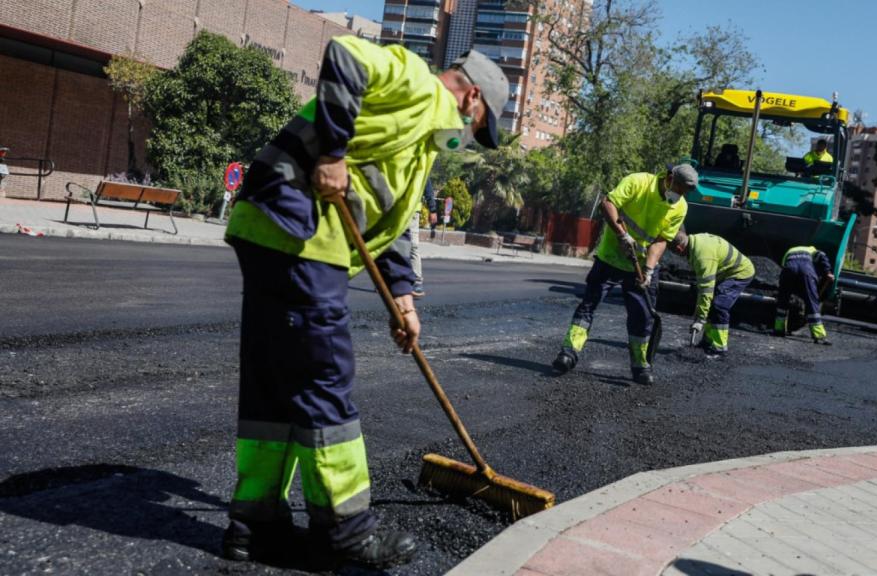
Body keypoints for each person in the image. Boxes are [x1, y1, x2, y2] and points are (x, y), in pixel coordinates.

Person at [221, 34, 508, 569]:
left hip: (273, 233)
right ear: (471, 99)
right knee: (323, 383)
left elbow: (394, 223)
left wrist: (404, 299)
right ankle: (344, 532)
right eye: (480, 126)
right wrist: (332, 152)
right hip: (299, 235)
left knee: (274, 383)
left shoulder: (420, 143)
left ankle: (255, 524)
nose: (471, 139)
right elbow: (345, 54)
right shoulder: (419, 84)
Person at [551, 164, 696, 385]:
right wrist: (622, 235)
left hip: (640, 264)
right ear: (669, 177)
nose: (680, 194)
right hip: (611, 256)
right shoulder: (638, 182)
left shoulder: (680, 207)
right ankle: (568, 353)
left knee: (642, 316)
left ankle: (640, 365)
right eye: (679, 187)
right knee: (589, 304)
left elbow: (661, 239)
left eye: (685, 192)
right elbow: (608, 203)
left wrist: (648, 269)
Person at [673, 230, 755, 358]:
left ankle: (719, 349)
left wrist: (700, 319)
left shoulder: (703, 256)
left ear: (679, 248)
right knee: (711, 302)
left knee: (719, 305)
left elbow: (706, 290)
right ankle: (707, 342)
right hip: (725, 273)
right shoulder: (695, 241)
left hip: (740, 272)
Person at [773, 246, 835, 345]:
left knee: (783, 299)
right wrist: (827, 272)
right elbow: (822, 255)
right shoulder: (812, 249)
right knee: (812, 301)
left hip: (788, 269)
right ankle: (819, 336)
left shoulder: (789, 251)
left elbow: (785, 267)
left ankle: (778, 329)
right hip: (806, 270)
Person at [409, 180, 438, 298]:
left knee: (413, 245)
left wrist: (433, 209)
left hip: (412, 212)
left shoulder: (419, 163)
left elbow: (427, 186)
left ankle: (417, 280)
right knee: (390, 243)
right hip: (395, 209)